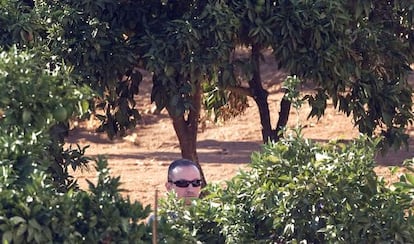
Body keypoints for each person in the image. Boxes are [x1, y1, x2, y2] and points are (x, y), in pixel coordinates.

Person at [147, 158, 202, 225]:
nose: (190, 189)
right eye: (182, 183)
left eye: (196, 182)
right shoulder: (158, 220)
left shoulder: (211, 217)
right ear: (169, 187)